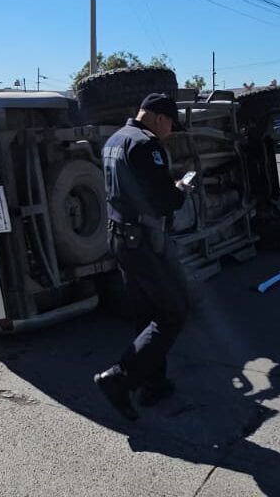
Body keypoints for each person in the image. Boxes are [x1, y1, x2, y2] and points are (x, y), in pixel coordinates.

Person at [94, 93, 193, 421]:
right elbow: (165, 201)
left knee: (145, 313)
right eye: (170, 125)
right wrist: (180, 189)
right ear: (159, 118)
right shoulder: (146, 145)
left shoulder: (114, 140)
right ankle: (119, 379)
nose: (169, 132)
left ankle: (154, 383)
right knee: (173, 312)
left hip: (119, 237)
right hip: (142, 242)